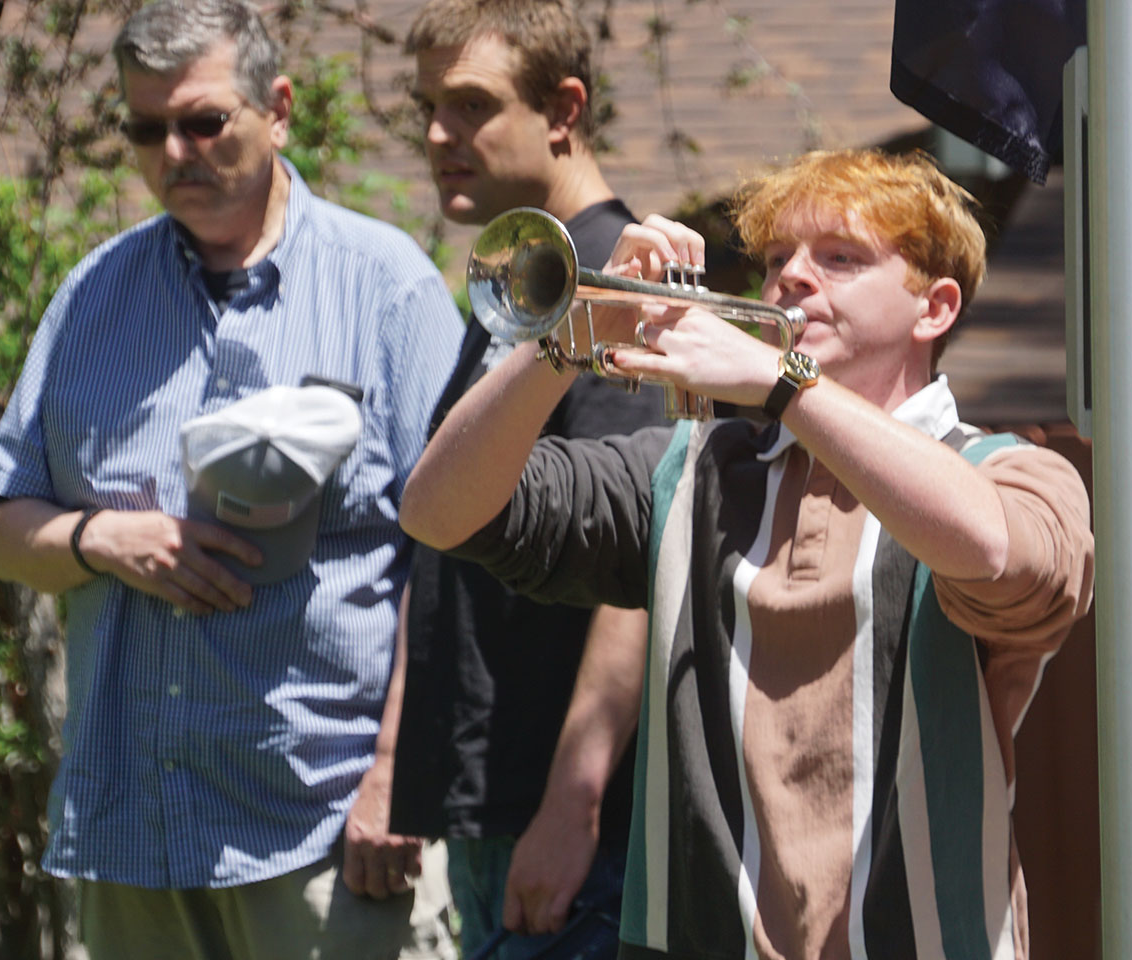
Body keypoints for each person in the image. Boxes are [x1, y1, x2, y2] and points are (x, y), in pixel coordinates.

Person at [397, 148, 1095, 960]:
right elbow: (437, 513)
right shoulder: (690, 468)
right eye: (776, 259)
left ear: (934, 308)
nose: (792, 276)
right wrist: (565, 339)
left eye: (840, 258)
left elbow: (995, 551)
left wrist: (784, 383)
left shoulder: (1008, 472)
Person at [0, 1, 463, 956]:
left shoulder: (384, 287)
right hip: (133, 838)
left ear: (277, 109)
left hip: (323, 837)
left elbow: (456, 558)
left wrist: (396, 778)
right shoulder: (93, 296)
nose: (175, 153)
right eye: (145, 129)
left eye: (203, 121)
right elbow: (1, 529)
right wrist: (97, 539)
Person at [349, 0, 663, 956]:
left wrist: (574, 803)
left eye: (472, 105)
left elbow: (647, 552)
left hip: (569, 836)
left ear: (564, 109)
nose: (438, 135)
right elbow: (443, 534)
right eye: (428, 108)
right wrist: (396, 761)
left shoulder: (616, 283)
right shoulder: (528, 281)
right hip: (489, 814)